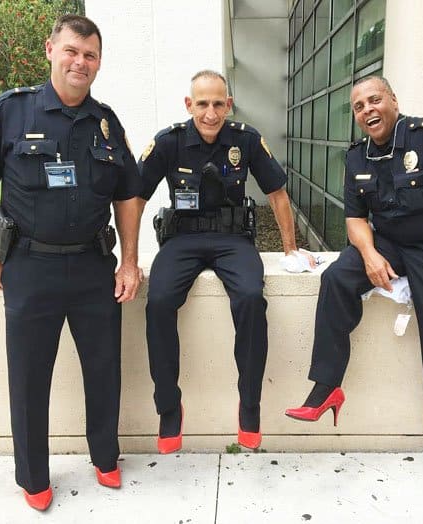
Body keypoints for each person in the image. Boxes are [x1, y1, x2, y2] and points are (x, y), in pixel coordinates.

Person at [285, 76, 423, 494]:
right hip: (390, 242)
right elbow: (355, 218)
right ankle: (327, 385)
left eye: (374, 100)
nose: (368, 110)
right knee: (338, 277)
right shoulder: (357, 157)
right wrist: (370, 255)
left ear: (393, 100)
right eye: (358, 106)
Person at [0, 15, 143, 511]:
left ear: (98, 62)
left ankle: (105, 457)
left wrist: (129, 262)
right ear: (50, 50)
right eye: (71, 51)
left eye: (89, 55)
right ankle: (33, 477)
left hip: (92, 266)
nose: (79, 62)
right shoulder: (12, 111)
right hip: (29, 266)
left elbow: (129, 195)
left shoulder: (107, 122)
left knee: (105, 369)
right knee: (28, 377)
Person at [137, 70, 313, 454]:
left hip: (233, 239)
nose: (211, 113)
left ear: (228, 104)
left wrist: (289, 249)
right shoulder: (169, 142)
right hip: (182, 238)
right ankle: (169, 407)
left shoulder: (245, 139)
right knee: (159, 302)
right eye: (202, 104)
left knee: (251, 297)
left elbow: (278, 192)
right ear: (189, 105)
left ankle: (249, 404)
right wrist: (129, 260)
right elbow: (134, 197)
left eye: (218, 103)